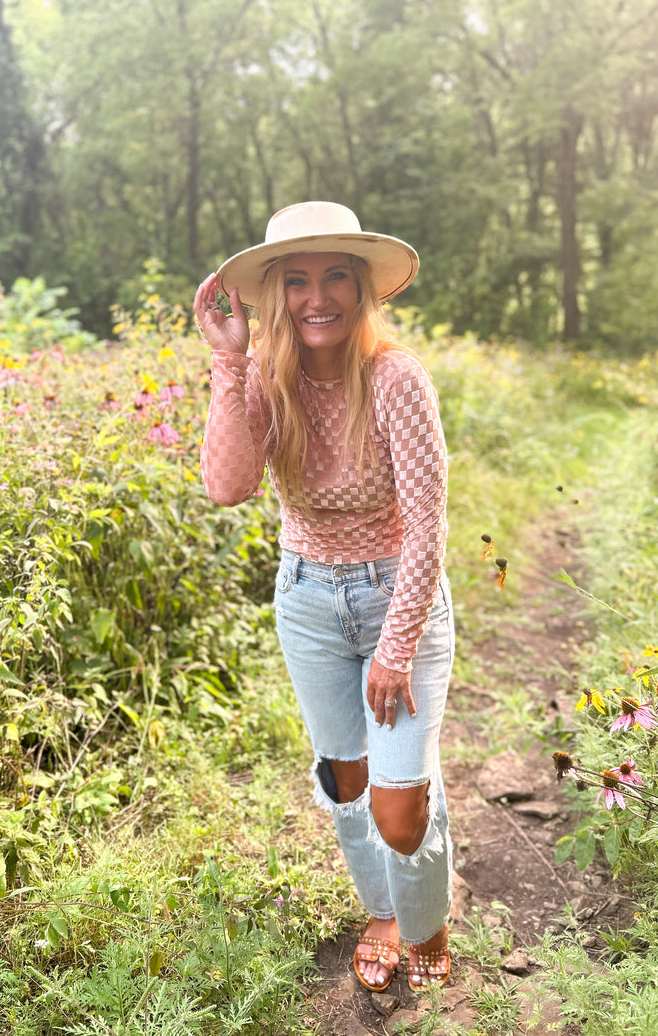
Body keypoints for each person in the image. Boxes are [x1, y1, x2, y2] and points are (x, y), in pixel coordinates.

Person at [195, 201, 453, 993]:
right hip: (307, 600)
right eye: (297, 280)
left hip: (397, 597)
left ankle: (429, 923)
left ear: (361, 287)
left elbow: (428, 524)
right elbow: (227, 486)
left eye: (334, 275)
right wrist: (230, 361)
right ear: (274, 293)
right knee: (347, 781)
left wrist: (396, 644)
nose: (317, 298)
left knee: (398, 807)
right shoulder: (267, 377)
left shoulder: (395, 376)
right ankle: (384, 913)